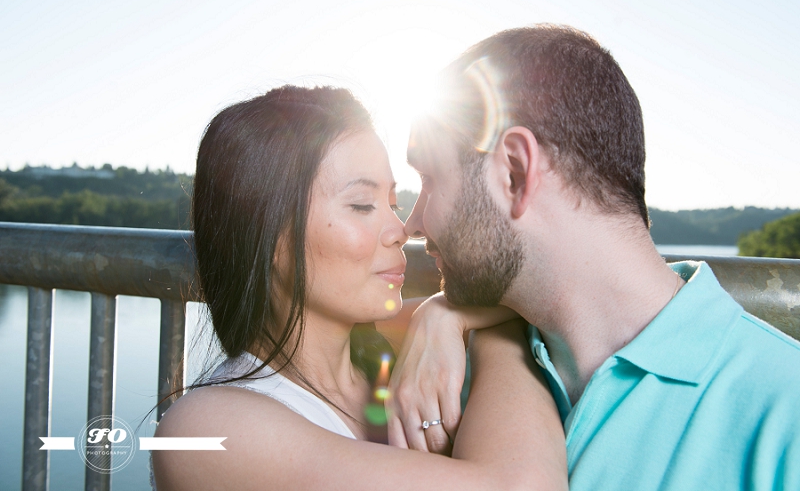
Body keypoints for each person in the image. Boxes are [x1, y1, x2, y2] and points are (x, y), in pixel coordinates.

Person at [388, 26, 800, 489]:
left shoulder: (787, 411)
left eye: (428, 178)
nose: (412, 224)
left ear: (515, 174)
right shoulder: (463, 371)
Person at [151, 85, 568, 490]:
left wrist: (443, 315)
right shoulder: (207, 433)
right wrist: (478, 328)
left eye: (393, 203)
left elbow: (531, 297)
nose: (401, 230)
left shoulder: (404, 339)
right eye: (362, 205)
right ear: (269, 238)